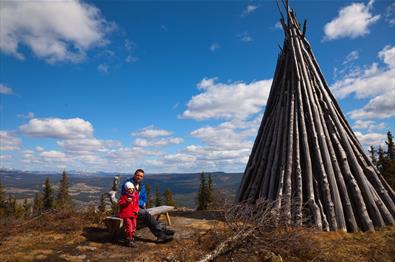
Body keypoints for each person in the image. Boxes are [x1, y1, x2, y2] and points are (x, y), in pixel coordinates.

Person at [121, 169, 175, 243]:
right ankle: (161, 233)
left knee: (146, 214)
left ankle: (162, 231)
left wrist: (141, 203)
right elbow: (128, 198)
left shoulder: (141, 186)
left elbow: (144, 199)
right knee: (146, 214)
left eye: (141, 176)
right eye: (138, 175)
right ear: (134, 175)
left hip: (137, 207)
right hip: (129, 208)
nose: (139, 177)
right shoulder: (128, 184)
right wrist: (140, 203)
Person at [118, 181, 139, 247]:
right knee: (129, 226)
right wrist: (127, 202)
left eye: (131, 189)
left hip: (133, 214)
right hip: (126, 214)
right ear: (126, 190)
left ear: (133, 188)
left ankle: (131, 236)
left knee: (134, 226)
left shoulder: (135, 195)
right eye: (128, 189)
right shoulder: (124, 196)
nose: (130, 190)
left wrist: (136, 210)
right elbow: (120, 203)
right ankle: (129, 240)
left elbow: (136, 204)